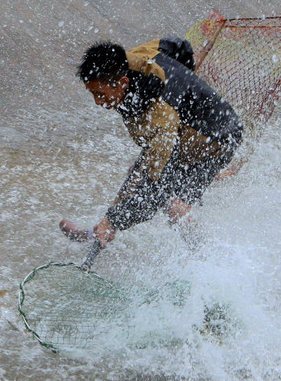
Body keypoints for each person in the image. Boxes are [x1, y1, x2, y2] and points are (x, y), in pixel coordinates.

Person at [61, 37, 242, 249]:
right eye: (92, 93)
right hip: (186, 131)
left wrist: (115, 219)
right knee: (137, 172)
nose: (98, 102)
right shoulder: (133, 57)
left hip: (216, 140)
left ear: (122, 83)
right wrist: (186, 74)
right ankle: (101, 230)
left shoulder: (161, 116)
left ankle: (208, 257)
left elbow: (153, 192)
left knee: (173, 202)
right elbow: (177, 46)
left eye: (100, 94)